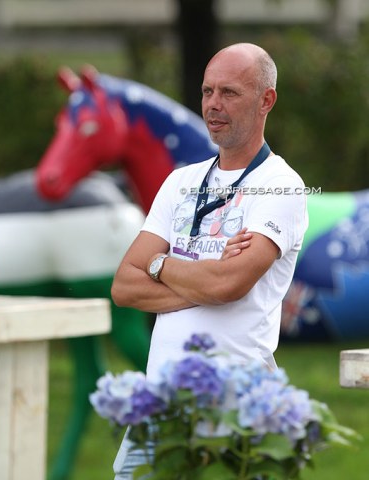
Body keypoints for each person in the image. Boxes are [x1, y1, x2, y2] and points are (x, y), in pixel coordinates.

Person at [111, 42, 308, 478]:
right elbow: (123, 286)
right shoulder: (180, 181)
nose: (213, 105)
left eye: (230, 93)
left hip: (237, 408)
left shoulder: (281, 186)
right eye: (207, 91)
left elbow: (227, 287)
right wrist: (205, 277)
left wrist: (161, 266)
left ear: (266, 101)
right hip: (160, 404)